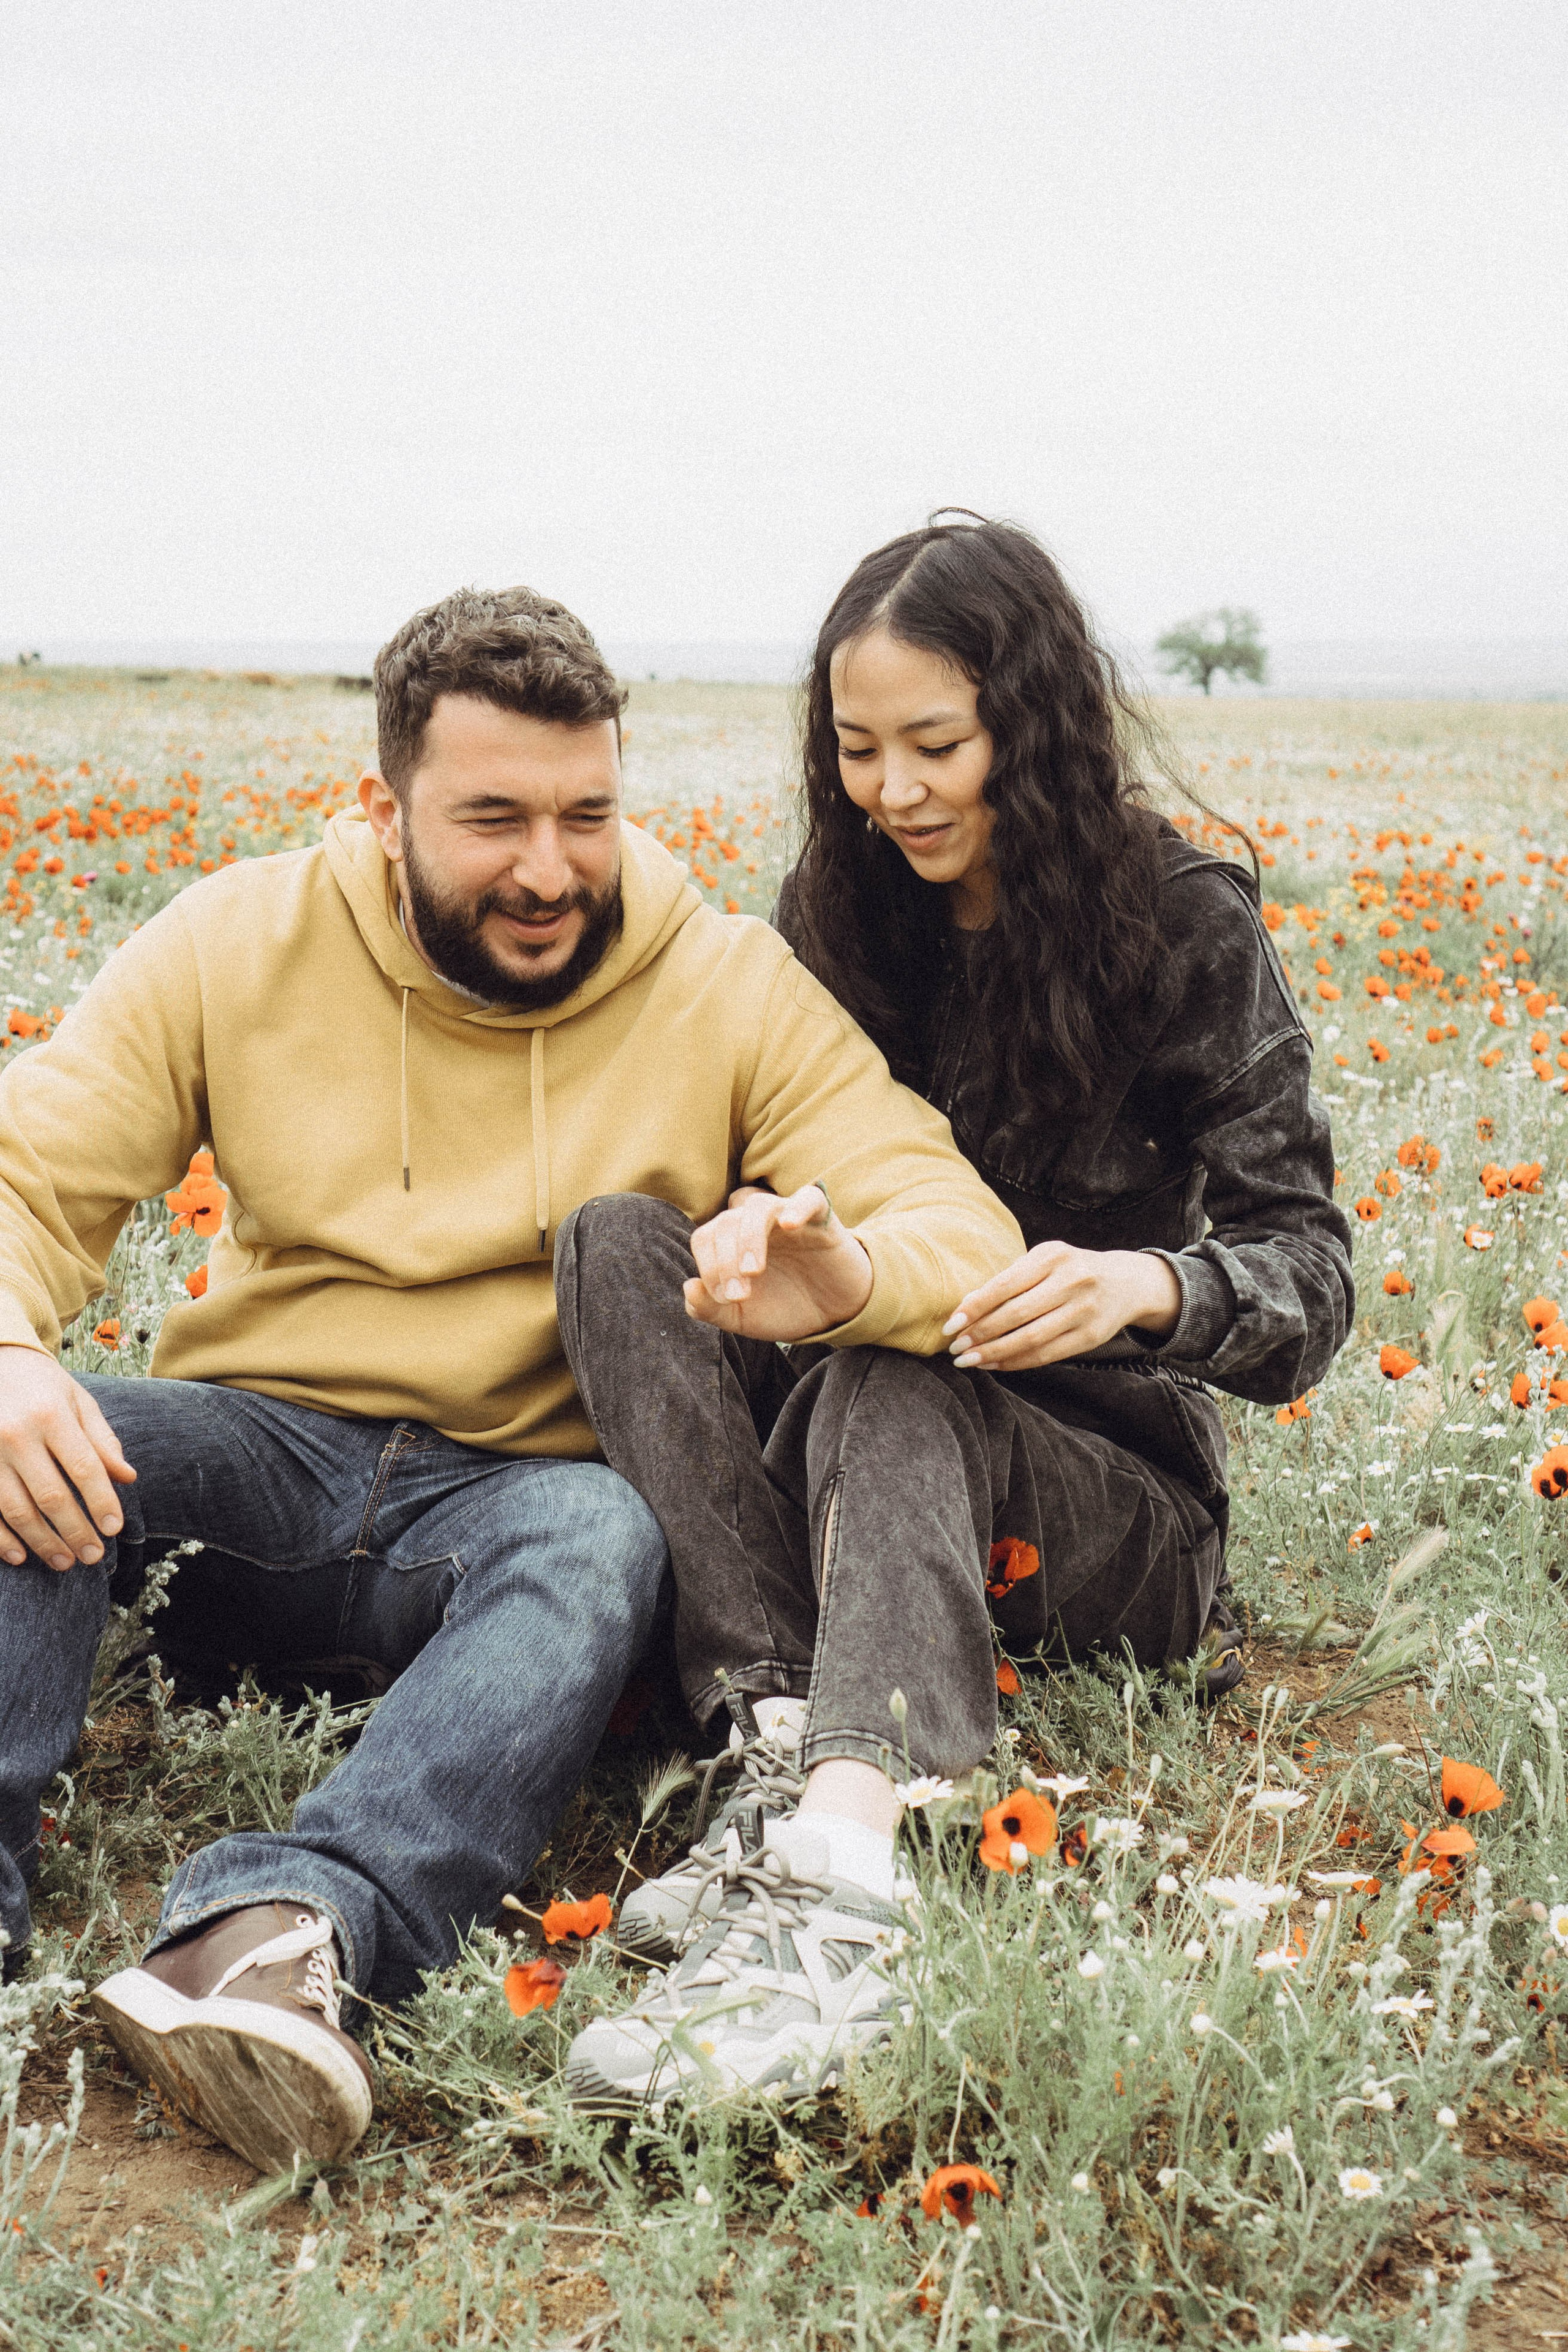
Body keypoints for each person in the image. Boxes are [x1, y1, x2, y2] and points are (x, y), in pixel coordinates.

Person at [0, 584, 1022, 2173]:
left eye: (586, 815)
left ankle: (284, 1930)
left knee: (603, 1534)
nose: (548, 869)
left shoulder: (721, 981)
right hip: (257, 1462)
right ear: (385, 806)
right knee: (35, 1431)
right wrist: (6, 1354)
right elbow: (28, 1171)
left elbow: (952, 1213)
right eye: (492, 819)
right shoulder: (238, 938)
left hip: (515, 1518)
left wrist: (855, 1273)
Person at [559, 518, 1354, 2110]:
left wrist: (1149, 1287)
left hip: (1107, 1493)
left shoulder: (1182, 928)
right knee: (613, 1240)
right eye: (860, 750)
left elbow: (1313, 1280)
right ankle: (780, 1743)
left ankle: (842, 1894)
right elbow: (768, 1158)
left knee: (905, 1381)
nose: (896, 791)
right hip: (849, 1422)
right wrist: (759, 1235)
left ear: (1032, 727)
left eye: (937, 744)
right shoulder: (844, 911)